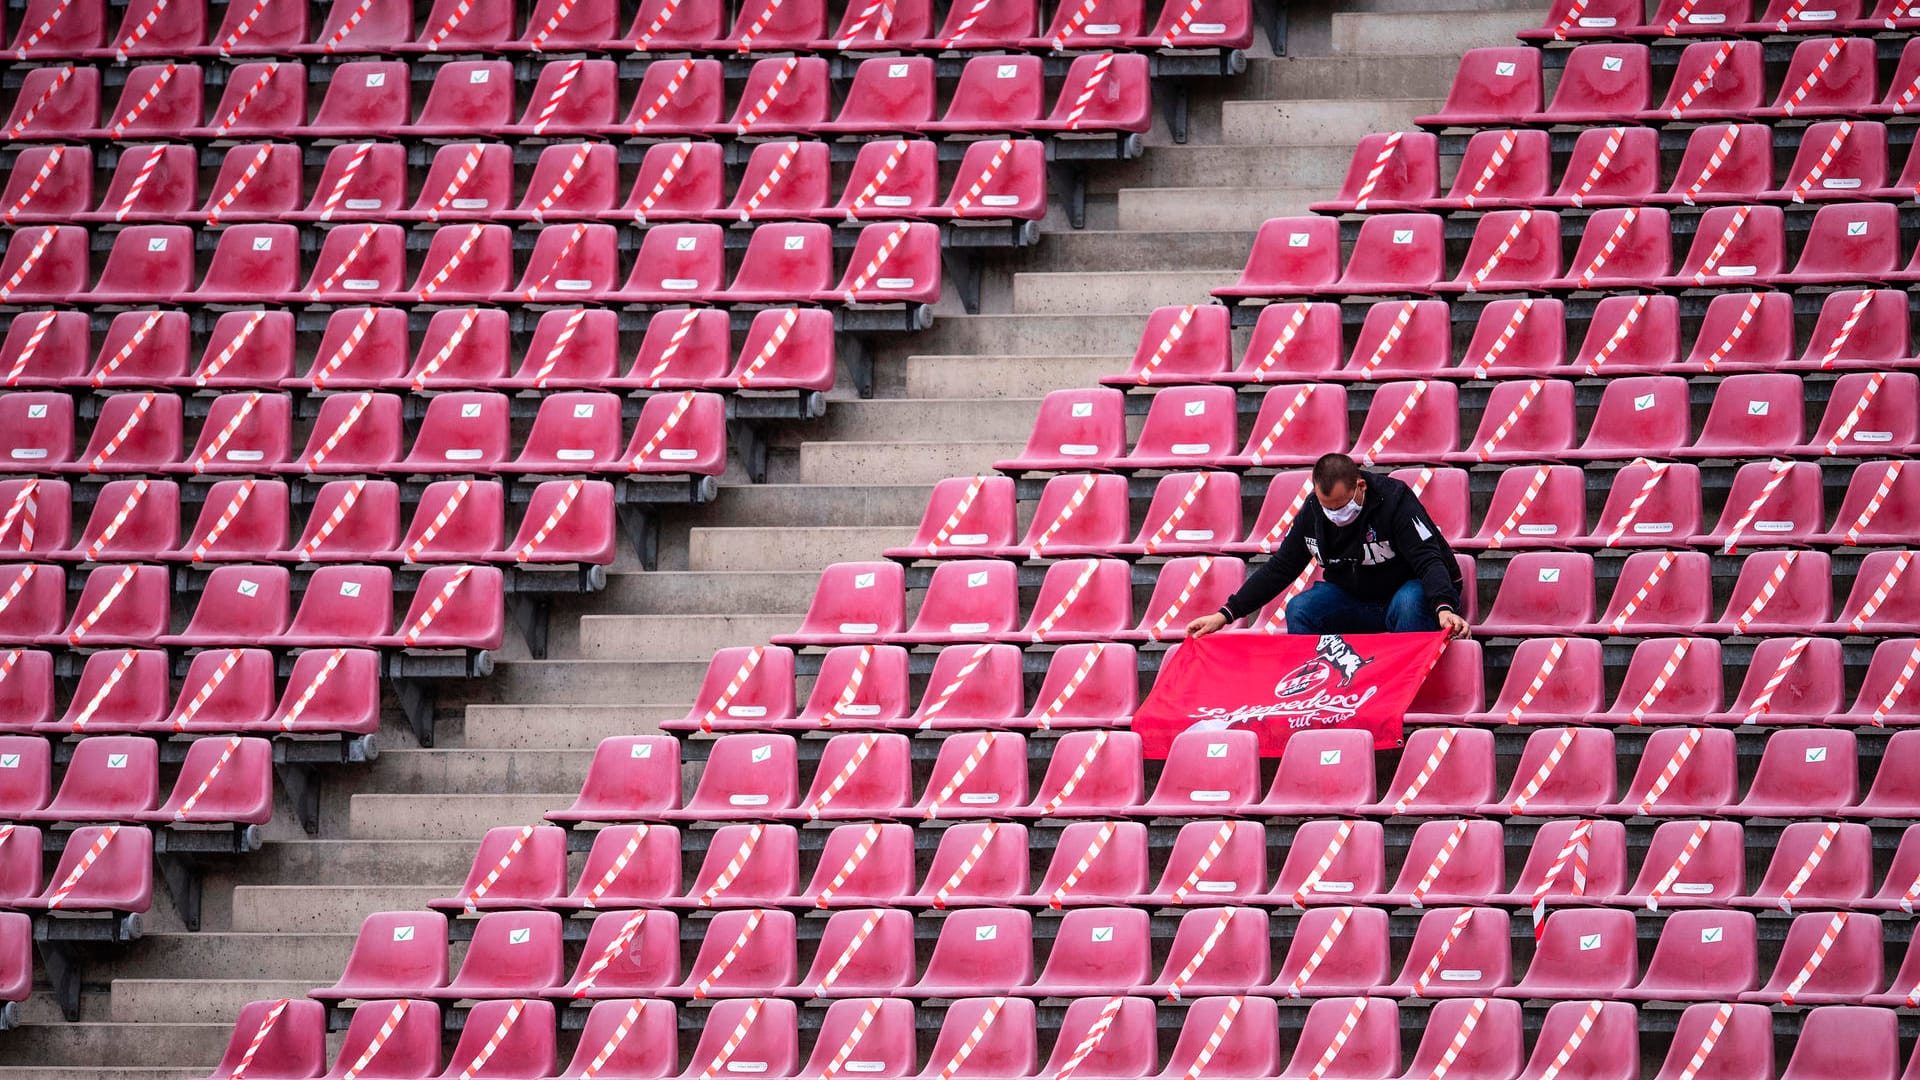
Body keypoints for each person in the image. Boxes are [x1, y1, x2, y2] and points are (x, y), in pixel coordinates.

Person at [1186, 452, 1470, 639]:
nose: (1336, 514)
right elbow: (1280, 568)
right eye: (1328, 507)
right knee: (1301, 608)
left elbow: (1428, 559)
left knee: (1410, 600)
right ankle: (1319, 692)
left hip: (1412, 595)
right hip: (1359, 601)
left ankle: (1408, 696)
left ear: (1360, 486)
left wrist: (1443, 606)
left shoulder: (1395, 500)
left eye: (1342, 505)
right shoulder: (1314, 513)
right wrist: (1225, 614)